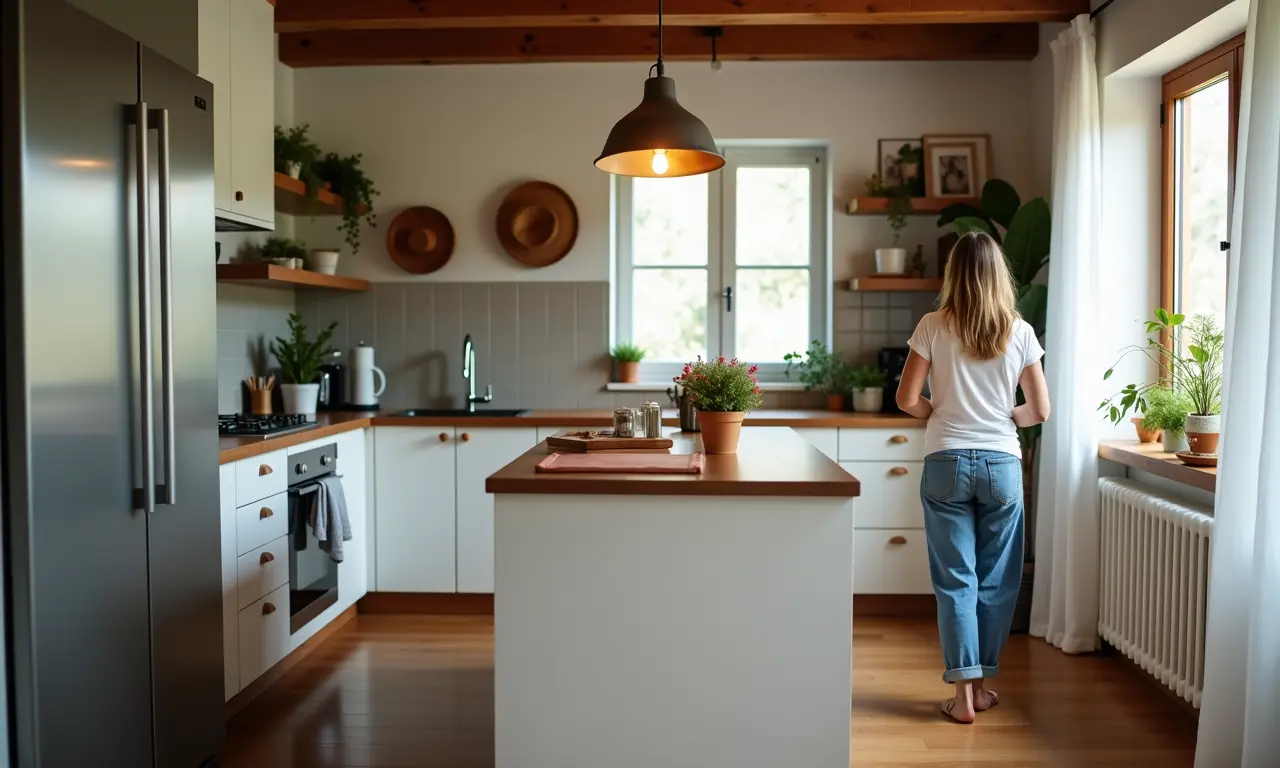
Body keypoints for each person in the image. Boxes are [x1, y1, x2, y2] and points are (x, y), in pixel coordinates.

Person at [895, 230, 1051, 724]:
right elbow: (1040, 411)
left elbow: (905, 400)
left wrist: (938, 410)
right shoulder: (1019, 331)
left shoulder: (932, 325)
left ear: (954, 275)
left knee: (955, 580)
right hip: (1002, 463)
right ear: (998, 275)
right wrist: (1004, 417)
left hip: (945, 461)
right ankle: (981, 689)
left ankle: (962, 697)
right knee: (997, 582)